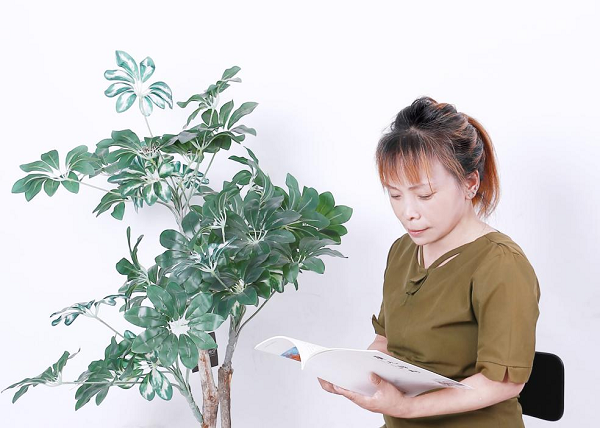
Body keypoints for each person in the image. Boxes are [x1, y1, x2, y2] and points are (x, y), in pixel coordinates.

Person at [317, 96, 541, 427]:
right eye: (395, 194)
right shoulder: (402, 251)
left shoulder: (500, 264)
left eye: (424, 195)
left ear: (470, 184)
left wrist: (405, 407)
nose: (408, 212)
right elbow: (386, 342)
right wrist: (353, 374)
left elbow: (503, 383)